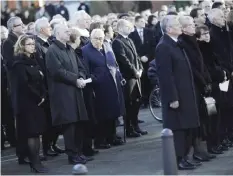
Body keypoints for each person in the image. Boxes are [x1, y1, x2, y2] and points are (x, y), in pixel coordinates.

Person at [155, 15, 200, 170]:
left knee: (187, 126)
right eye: (177, 24)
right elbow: (165, 75)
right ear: (168, 29)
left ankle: (185, 157)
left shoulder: (176, 43)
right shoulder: (163, 46)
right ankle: (179, 159)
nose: (180, 26)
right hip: (177, 95)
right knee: (178, 128)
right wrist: (172, 97)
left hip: (186, 92)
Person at [45, 24, 89, 164]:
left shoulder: (69, 48)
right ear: (58, 33)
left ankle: (78, 152)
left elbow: (80, 66)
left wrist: (81, 77)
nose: (69, 32)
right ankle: (72, 154)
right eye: (66, 31)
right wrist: (75, 80)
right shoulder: (52, 50)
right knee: (69, 125)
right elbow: (57, 72)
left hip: (76, 91)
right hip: (63, 93)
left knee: (79, 124)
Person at [178, 15, 214, 163]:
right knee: (197, 119)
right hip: (194, 85)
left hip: (202, 83)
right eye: (191, 25)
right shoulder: (183, 43)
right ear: (184, 28)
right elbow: (191, 67)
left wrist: (207, 79)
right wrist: (203, 81)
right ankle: (196, 151)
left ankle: (201, 150)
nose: (194, 26)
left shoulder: (192, 41)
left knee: (204, 117)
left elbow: (201, 63)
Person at [11, 35, 48, 173]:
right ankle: (35, 163)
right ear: (22, 46)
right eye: (29, 44)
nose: (32, 46)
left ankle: (37, 162)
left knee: (38, 133)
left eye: (33, 44)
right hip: (28, 104)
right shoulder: (18, 64)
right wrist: (38, 96)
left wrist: (44, 94)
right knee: (32, 134)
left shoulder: (34, 61)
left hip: (38, 102)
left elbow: (41, 79)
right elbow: (24, 84)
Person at [82, 29, 125, 148]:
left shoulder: (107, 45)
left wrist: (120, 76)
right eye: (96, 38)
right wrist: (94, 79)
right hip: (99, 86)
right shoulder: (85, 51)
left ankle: (112, 136)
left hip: (113, 83)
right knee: (102, 114)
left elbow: (114, 63)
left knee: (113, 112)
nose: (98, 41)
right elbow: (85, 69)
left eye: (100, 38)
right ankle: (100, 140)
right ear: (90, 38)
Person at [34, 17, 65, 160]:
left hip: (55, 85)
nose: (51, 29)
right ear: (41, 29)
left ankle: (53, 144)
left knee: (56, 119)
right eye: (49, 27)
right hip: (47, 86)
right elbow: (41, 66)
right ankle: (47, 147)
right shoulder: (37, 45)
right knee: (48, 119)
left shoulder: (50, 42)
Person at [196, 25, 229, 154]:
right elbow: (206, 69)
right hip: (211, 86)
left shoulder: (211, 47)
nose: (207, 36)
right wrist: (221, 74)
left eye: (207, 33)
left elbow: (219, 63)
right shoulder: (201, 49)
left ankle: (219, 140)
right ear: (198, 36)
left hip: (220, 83)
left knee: (220, 113)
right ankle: (212, 144)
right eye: (203, 34)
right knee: (212, 116)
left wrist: (224, 72)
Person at [112, 19, 148, 138]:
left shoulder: (129, 40)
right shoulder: (117, 42)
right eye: (127, 26)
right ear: (121, 28)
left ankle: (135, 126)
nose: (130, 28)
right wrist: (134, 71)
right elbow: (123, 59)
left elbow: (136, 56)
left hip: (136, 75)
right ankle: (129, 129)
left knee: (137, 102)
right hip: (128, 77)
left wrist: (141, 68)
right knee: (129, 103)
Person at [68, 28, 98, 158]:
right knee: (83, 121)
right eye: (79, 38)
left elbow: (82, 67)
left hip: (86, 86)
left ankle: (87, 147)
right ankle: (82, 149)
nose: (81, 40)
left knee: (89, 118)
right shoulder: (72, 52)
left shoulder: (78, 51)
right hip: (79, 89)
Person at [129, 15, 156, 108]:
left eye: (144, 21)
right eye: (141, 21)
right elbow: (132, 48)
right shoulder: (131, 35)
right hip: (139, 61)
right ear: (136, 23)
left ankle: (152, 99)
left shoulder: (150, 32)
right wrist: (140, 57)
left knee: (150, 79)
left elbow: (153, 45)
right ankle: (143, 100)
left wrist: (148, 56)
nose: (143, 23)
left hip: (149, 60)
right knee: (142, 80)